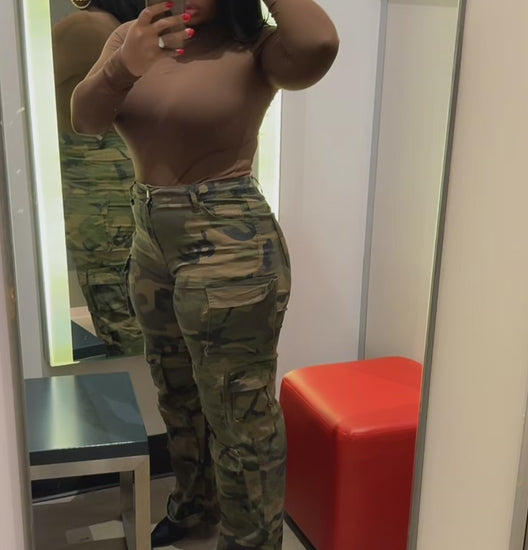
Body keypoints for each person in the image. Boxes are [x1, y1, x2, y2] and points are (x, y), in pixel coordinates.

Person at [71, 0, 339, 548]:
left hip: (228, 241)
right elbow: (85, 119)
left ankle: (250, 542)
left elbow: (319, 44)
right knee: (177, 394)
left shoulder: (254, 45)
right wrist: (126, 63)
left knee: (241, 416)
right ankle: (195, 509)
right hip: (150, 238)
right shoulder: (131, 36)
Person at [53, 0, 145, 356]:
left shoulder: (85, 27)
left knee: (120, 317)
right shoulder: (128, 31)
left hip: (98, 191)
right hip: (121, 181)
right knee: (133, 311)